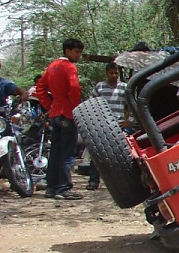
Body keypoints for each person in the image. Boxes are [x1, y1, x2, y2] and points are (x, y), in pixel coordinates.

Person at [36, 38, 84, 200]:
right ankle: (64, 188)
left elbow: (40, 88)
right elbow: (75, 87)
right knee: (68, 153)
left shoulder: (52, 66)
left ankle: (51, 187)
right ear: (68, 51)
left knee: (55, 151)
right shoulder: (69, 67)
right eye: (76, 52)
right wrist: (76, 106)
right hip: (67, 113)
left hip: (55, 113)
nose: (78, 55)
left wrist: (48, 105)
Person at [86, 62, 129, 191]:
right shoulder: (100, 87)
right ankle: (93, 181)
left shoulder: (124, 87)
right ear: (107, 73)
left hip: (119, 125)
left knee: (120, 154)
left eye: (116, 73)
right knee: (97, 154)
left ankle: (121, 183)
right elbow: (91, 103)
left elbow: (131, 105)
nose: (114, 75)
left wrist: (128, 121)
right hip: (102, 125)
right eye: (111, 73)